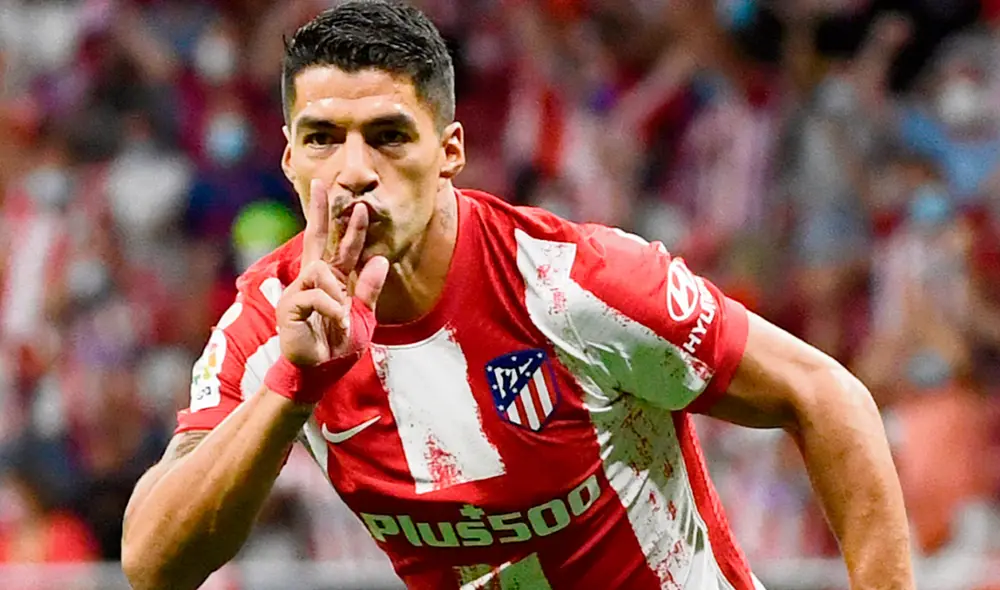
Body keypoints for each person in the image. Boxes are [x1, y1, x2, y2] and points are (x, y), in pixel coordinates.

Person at [121, 2, 914, 589]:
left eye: (390, 135)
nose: (354, 170)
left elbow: (827, 395)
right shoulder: (268, 323)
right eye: (323, 137)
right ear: (289, 158)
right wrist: (292, 389)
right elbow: (152, 564)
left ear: (450, 151)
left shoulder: (574, 284)